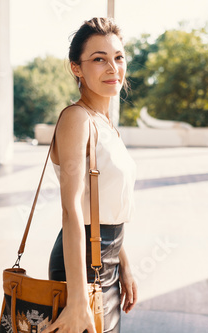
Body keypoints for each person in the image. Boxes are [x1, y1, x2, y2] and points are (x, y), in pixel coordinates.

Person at [44, 17, 138, 333]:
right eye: (99, 59)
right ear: (77, 68)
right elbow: (72, 211)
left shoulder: (107, 125)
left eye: (118, 57)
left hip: (107, 264)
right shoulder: (76, 119)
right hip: (80, 269)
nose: (113, 68)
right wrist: (77, 299)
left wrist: (125, 265)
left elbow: (105, 206)